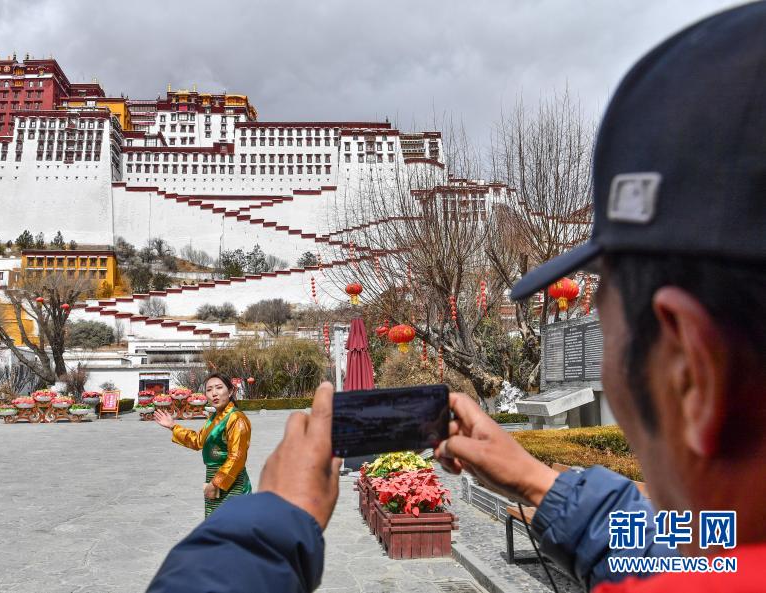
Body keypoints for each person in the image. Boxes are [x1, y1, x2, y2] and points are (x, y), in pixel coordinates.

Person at [148, 3, 766, 592]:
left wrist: (271, 523)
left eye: (606, 330)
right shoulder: (722, 546)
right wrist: (539, 484)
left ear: (690, 370)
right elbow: (687, 546)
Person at [153, 372, 252, 517]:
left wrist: (216, 483)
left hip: (232, 481)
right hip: (214, 478)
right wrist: (173, 427)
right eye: (209, 390)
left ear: (231, 391)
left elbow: (237, 457)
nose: (214, 393)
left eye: (219, 388)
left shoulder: (236, 418)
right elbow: (198, 440)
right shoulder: (214, 418)